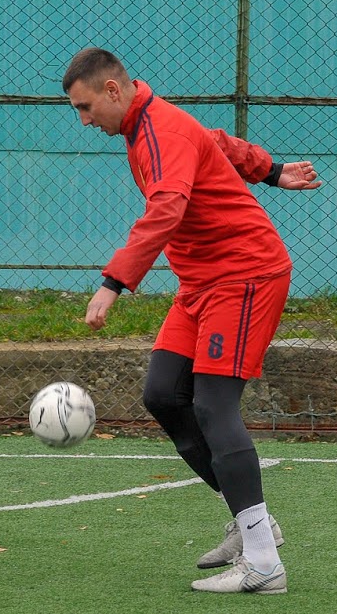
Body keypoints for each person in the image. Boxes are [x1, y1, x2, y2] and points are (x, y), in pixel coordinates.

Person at [62, 48, 321, 594]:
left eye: (85, 108)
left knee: (212, 404)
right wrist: (271, 170)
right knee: (163, 394)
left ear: (113, 89)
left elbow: (167, 209)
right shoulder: (151, 122)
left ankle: (264, 564)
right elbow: (217, 142)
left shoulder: (158, 131)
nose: (84, 121)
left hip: (244, 274)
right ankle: (252, 526)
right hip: (202, 282)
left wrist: (113, 283)